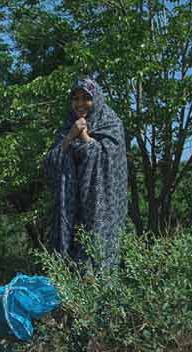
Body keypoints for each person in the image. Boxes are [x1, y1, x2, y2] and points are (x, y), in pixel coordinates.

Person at [43, 77, 128, 269]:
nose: (80, 104)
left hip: (101, 210)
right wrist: (71, 136)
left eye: (86, 98)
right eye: (75, 98)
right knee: (68, 271)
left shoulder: (111, 125)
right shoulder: (66, 127)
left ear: (96, 98)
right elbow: (49, 164)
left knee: (96, 266)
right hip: (70, 212)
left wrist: (84, 136)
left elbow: (107, 161)